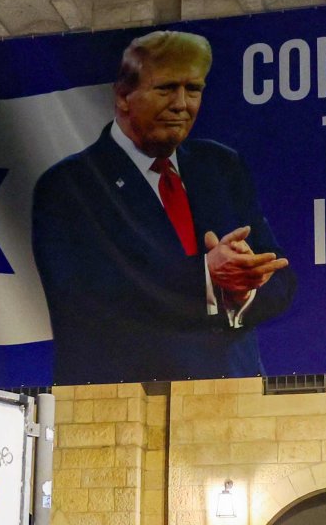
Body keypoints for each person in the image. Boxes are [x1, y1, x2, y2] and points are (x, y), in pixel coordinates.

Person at [31, 30, 295, 384]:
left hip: (236, 399)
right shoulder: (67, 186)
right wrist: (208, 276)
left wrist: (243, 286)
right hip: (124, 404)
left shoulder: (221, 165)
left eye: (194, 90)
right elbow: (95, 298)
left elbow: (280, 279)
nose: (182, 104)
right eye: (167, 89)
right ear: (124, 96)